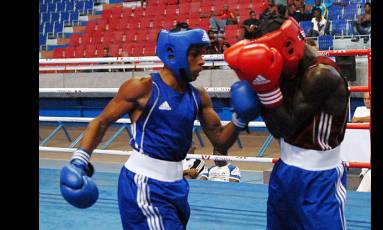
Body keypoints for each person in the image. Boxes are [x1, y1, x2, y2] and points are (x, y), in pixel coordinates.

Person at [59, 28, 261, 229]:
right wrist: (80, 160)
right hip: (144, 184)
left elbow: (220, 141)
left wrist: (239, 119)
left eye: (203, 54)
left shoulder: (198, 95)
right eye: (195, 54)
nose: (202, 61)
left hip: (177, 185)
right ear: (174, 54)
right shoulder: (143, 88)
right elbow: (101, 122)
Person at [224, 7, 350, 229]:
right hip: (285, 171)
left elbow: (286, 127)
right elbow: (276, 130)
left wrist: (264, 90)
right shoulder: (283, 69)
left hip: (319, 178)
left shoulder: (321, 75)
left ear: (287, 46)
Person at [352, 92, 371, 192]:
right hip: (360, 136)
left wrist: (361, 119)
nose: (366, 101)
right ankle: (363, 171)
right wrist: (366, 118)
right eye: (365, 99)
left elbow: (358, 119)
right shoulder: (359, 108)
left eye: (369, 99)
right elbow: (354, 120)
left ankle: (364, 171)